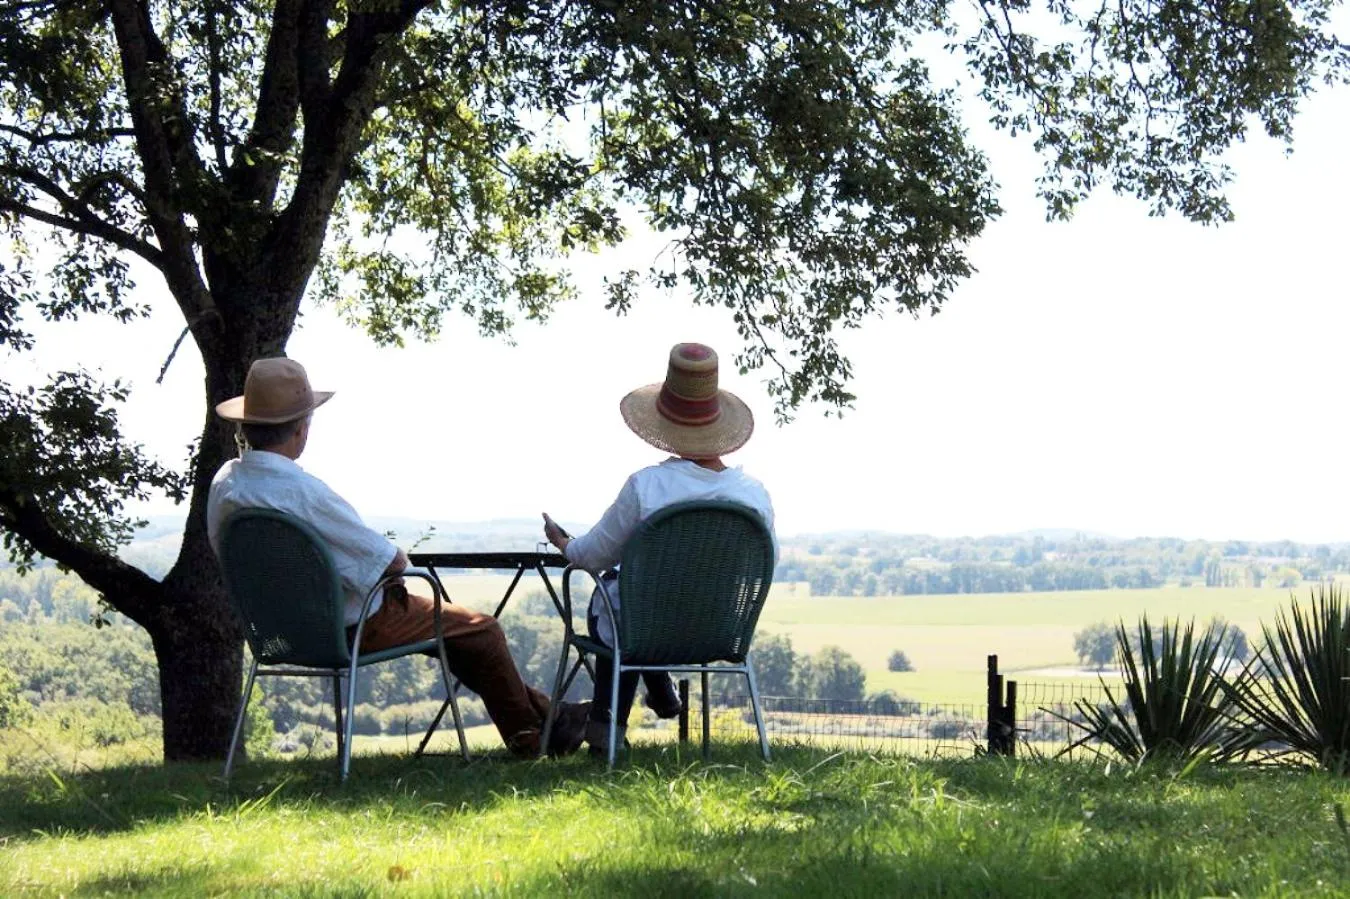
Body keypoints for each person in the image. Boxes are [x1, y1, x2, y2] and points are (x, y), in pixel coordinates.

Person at [206, 357, 589, 758]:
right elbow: (390, 562)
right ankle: (534, 738)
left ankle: (547, 723)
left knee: (461, 637)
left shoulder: (225, 484)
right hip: (351, 626)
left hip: (275, 629)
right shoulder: (304, 493)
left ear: (246, 425)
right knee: (482, 631)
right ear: (301, 430)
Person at [543, 342, 776, 755]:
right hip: (717, 629)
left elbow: (593, 556)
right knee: (631, 609)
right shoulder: (753, 497)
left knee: (616, 606)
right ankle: (657, 691)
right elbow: (764, 563)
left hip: (644, 626)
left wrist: (563, 542)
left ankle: (606, 725)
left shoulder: (647, 486)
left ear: (665, 424)